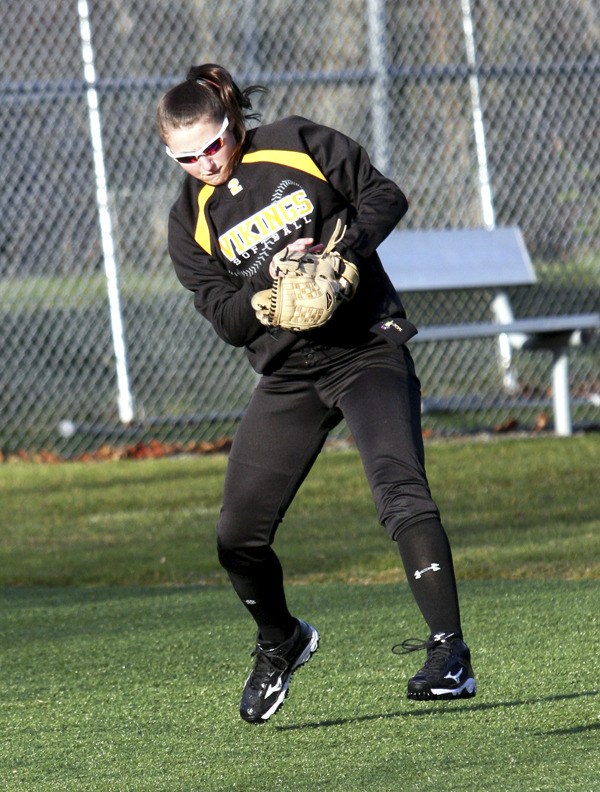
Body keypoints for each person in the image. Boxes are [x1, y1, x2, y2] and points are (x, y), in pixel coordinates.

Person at [156, 63, 476, 725]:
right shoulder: (189, 220)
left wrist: (342, 253)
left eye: (213, 144)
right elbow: (226, 319)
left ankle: (450, 654)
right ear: (171, 154)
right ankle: (282, 642)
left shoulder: (296, 142)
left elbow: (383, 196)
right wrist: (265, 290)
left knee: (400, 488)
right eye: (186, 156)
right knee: (236, 536)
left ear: (232, 125)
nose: (205, 162)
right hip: (289, 375)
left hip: (363, 347)